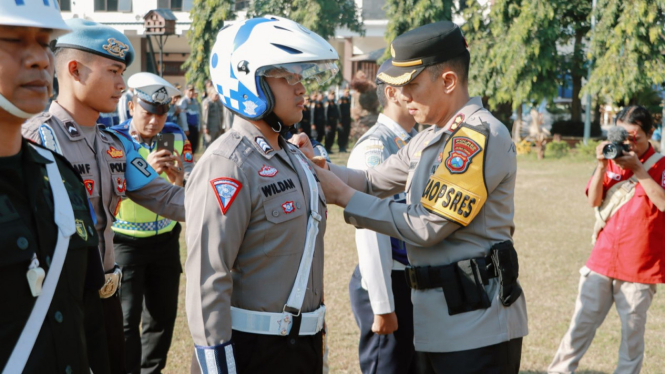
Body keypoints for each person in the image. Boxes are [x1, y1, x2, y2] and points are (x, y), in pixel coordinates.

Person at [297, 21, 528, 373]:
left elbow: (427, 226)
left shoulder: (474, 139)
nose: (401, 96)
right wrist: (318, 166)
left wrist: (342, 195)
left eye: (411, 84)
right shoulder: (432, 137)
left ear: (448, 81)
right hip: (439, 323)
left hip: (476, 330)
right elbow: (373, 180)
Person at [22, 18, 186, 374]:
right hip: (58, 301)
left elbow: (167, 199)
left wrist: (235, 204)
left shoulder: (116, 145)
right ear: (75, 70)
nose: (121, 85)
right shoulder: (37, 140)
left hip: (107, 294)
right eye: (113, 71)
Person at [185, 15, 338, 373]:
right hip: (252, 351)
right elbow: (209, 278)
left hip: (301, 347)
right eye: (287, 77)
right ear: (248, 79)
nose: (301, 88)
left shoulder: (294, 156)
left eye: (301, 77)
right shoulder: (227, 164)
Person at [0, 2, 110, 373]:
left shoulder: (62, 180)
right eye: (13, 40)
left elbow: (87, 317)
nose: (40, 60)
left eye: (45, 43)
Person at [548, 106, 665, 374]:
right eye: (623, 136)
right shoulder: (613, 157)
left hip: (638, 267)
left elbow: (663, 202)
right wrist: (601, 166)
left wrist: (638, 170)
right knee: (579, 328)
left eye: (634, 137)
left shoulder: (661, 165)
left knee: (631, 341)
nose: (628, 143)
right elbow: (594, 200)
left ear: (650, 133)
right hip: (602, 260)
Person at [109, 72, 193, 374]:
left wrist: (178, 180)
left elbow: (187, 194)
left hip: (166, 241)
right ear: (132, 107)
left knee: (162, 318)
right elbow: (109, 193)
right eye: (147, 113)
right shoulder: (113, 139)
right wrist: (148, 178)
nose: (154, 122)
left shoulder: (176, 136)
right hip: (126, 243)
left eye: (161, 114)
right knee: (127, 321)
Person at [348, 59, 418, 374]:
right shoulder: (376, 147)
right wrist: (383, 305)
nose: (422, 92)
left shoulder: (415, 141)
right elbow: (370, 230)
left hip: (412, 279)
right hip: (388, 279)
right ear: (392, 93)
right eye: (413, 86)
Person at [178, 84, 201, 153]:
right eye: (189, 91)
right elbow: (183, 116)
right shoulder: (183, 101)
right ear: (185, 91)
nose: (191, 93)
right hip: (188, 128)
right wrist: (186, 128)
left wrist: (199, 127)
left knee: (194, 146)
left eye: (192, 91)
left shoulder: (195, 101)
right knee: (187, 148)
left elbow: (198, 115)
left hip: (195, 127)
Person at [338, 88, 352, 152]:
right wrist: (339, 121)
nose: (347, 93)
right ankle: (341, 147)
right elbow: (339, 111)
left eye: (348, 92)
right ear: (343, 92)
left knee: (346, 133)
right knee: (341, 133)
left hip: (347, 119)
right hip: (342, 120)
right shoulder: (341, 100)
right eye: (346, 92)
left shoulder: (348, 100)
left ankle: (344, 146)